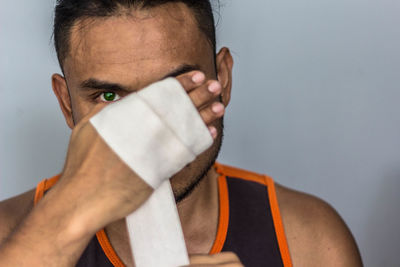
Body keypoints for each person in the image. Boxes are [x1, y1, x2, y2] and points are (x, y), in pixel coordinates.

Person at [0, 0, 363, 266]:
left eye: (175, 90)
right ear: (67, 104)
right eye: (109, 96)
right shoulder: (7, 237)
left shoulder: (309, 241)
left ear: (223, 79)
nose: (149, 132)